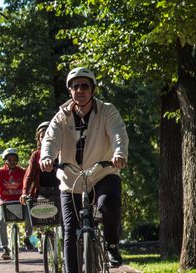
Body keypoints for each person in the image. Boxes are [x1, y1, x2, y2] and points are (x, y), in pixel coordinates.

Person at [39, 67, 129, 272]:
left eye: (85, 86)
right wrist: (47, 157)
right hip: (70, 181)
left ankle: (112, 245)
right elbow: (51, 139)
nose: (80, 90)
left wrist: (119, 153)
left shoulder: (107, 110)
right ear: (70, 90)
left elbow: (118, 133)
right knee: (70, 230)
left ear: (93, 89)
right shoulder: (61, 117)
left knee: (109, 204)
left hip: (102, 173)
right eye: (75, 86)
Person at [20, 121, 62, 253]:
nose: (44, 138)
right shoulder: (36, 155)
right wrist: (24, 192)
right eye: (41, 136)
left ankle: (64, 246)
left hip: (59, 189)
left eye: (47, 134)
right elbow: (29, 176)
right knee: (38, 214)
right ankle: (39, 238)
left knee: (62, 219)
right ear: (38, 138)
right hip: (42, 190)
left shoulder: (61, 152)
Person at [0, 148, 32, 259]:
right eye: (9, 159)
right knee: (1, 221)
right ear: (5, 161)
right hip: (5, 202)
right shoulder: (0, 172)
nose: (12, 161)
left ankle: (27, 237)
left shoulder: (23, 172)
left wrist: (29, 194)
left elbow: (28, 184)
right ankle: (5, 248)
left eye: (14, 159)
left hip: (20, 201)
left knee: (29, 215)